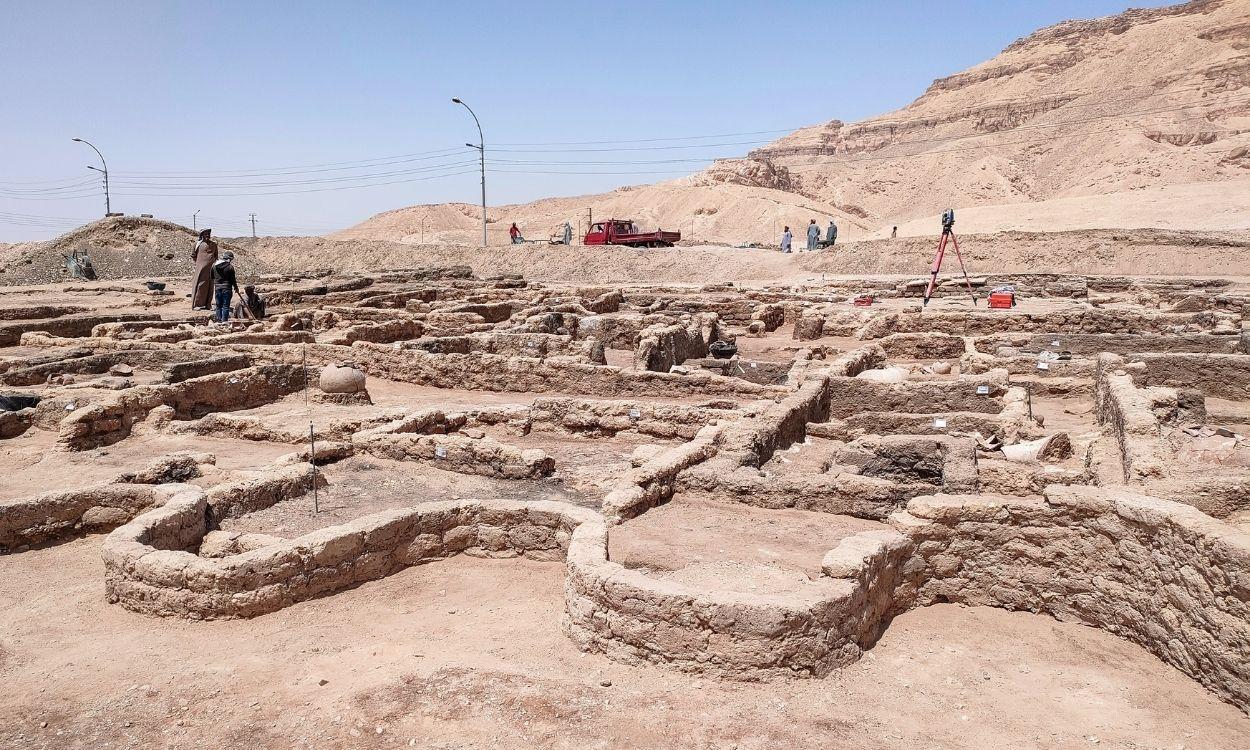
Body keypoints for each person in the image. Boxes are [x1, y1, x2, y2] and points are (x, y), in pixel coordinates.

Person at [211, 250, 242, 323]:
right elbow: (233, 280)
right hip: (227, 288)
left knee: (218, 305)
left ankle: (218, 321)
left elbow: (211, 276)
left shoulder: (214, 265)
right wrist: (236, 288)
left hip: (217, 288)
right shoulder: (230, 267)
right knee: (225, 306)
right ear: (230, 259)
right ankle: (224, 321)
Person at [190, 228, 218, 310]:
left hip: (211, 270)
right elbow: (193, 255)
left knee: (210, 287)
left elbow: (216, 256)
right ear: (202, 235)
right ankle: (197, 305)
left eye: (208, 234)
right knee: (200, 285)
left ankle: (208, 304)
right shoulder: (197, 244)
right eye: (205, 234)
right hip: (201, 270)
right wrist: (200, 264)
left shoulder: (214, 244)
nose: (207, 235)